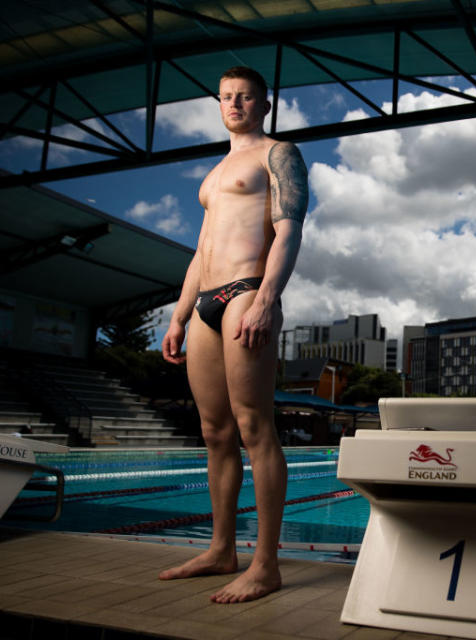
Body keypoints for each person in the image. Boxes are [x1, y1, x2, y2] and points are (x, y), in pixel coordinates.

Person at [159, 66, 308, 604]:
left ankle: (265, 564)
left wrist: (268, 297)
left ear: (263, 104)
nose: (235, 104)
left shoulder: (278, 154)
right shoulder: (216, 171)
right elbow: (200, 252)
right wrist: (177, 316)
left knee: (253, 426)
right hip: (204, 302)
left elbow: (289, 228)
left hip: (248, 289)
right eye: (226, 97)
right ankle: (222, 548)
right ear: (218, 103)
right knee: (215, 432)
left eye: (245, 96)